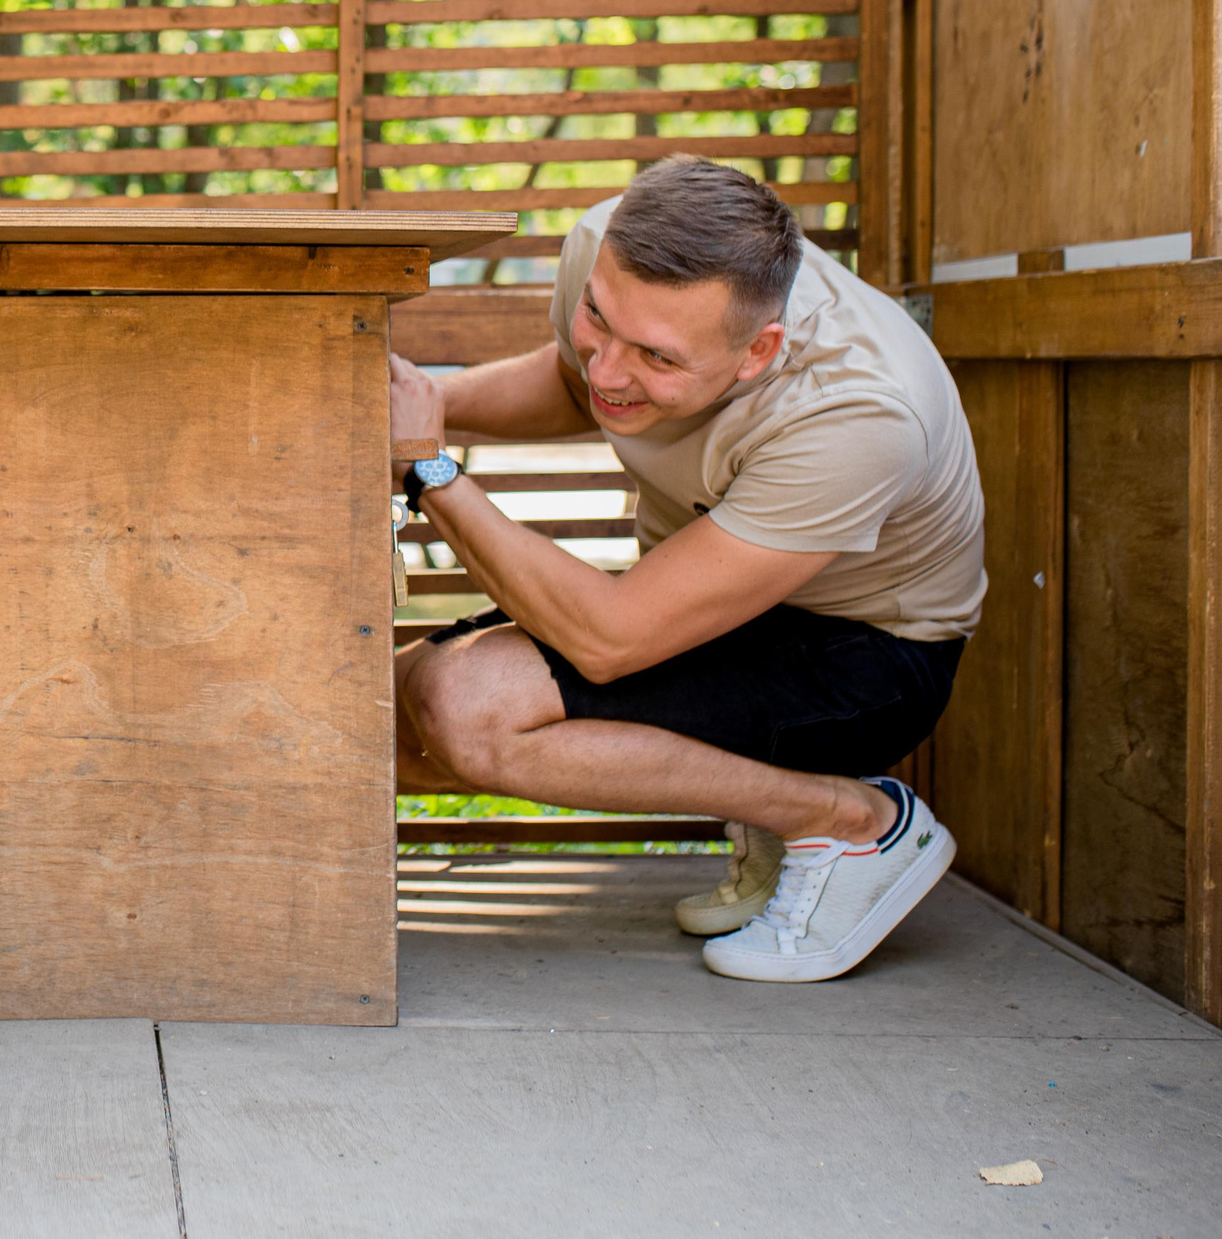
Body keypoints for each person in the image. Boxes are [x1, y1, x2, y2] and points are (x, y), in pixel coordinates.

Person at [389, 155, 983, 982]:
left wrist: (429, 466)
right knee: (375, 715)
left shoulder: (858, 414)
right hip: (715, 603)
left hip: (865, 655)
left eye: (658, 359)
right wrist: (422, 404)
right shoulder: (607, 242)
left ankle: (850, 820)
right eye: (599, 320)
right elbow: (577, 386)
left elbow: (609, 640)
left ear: (757, 350)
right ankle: (777, 814)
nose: (608, 368)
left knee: (467, 704)